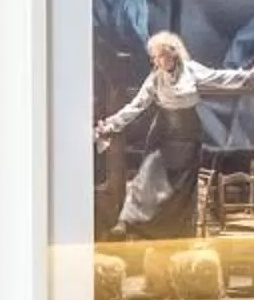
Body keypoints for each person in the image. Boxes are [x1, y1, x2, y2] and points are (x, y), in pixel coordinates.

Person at [96, 32, 223, 239]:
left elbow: (221, 78)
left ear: (172, 54)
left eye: (159, 56)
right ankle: (126, 222)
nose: (156, 61)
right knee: (147, 174)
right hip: (163, 133)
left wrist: (251, 74)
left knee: (181, 189)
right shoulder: (155, 79)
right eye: (154, 57)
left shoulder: (191, 71)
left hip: (188, 134)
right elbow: (136, 106)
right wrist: (112, 123)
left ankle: (176, 234)